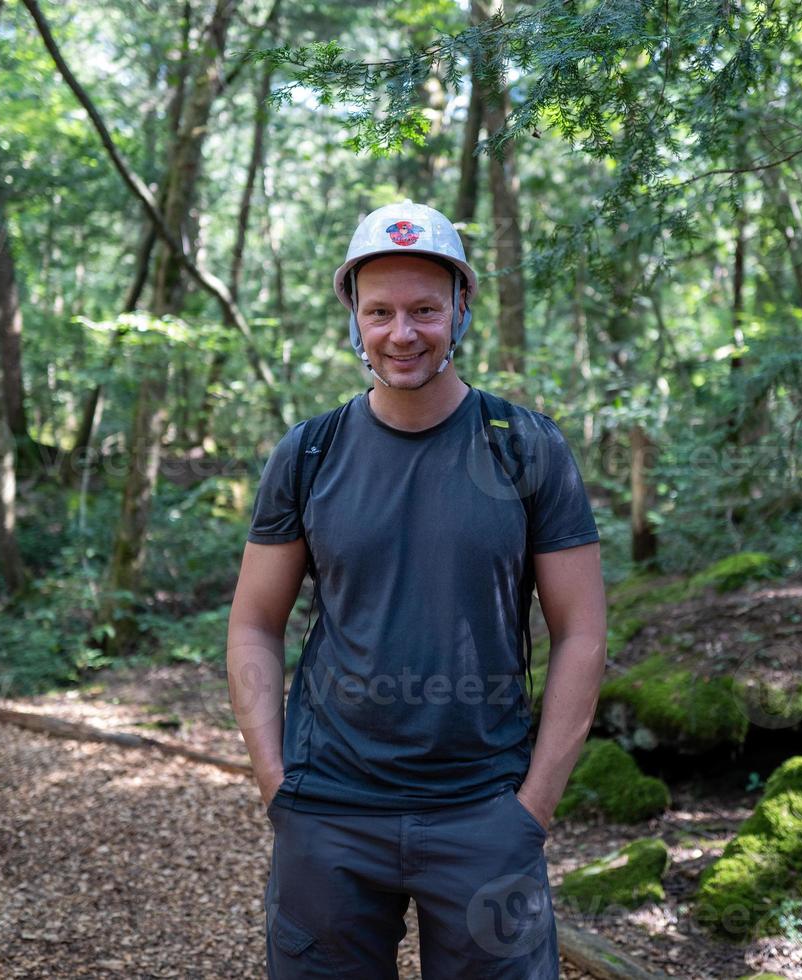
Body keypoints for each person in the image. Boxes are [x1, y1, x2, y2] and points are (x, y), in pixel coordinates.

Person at [226, 201, 607, 979]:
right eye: (381, 312)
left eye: (425, 310)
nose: (402, 333)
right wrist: (277, 786)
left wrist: (531, 809)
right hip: (328, 812)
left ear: (461, 309)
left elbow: (582, 634)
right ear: (353, 320)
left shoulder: (525, 449)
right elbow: (253, 624)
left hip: (483, 813)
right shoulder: (309, 453)